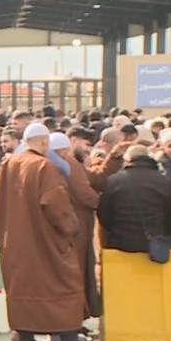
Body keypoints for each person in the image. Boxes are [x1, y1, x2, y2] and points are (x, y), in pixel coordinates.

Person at [0, 123, 101, 341]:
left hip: (15, 241)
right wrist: (71, 228)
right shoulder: (45, 166)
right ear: (44, 142)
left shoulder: (8, 164)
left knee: (22, 288)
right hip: (45, 241)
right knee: (62, 284)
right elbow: (56, 205)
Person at [49, 132, 102, 319]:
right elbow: (84, 193)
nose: (88, 149)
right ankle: (74, 317)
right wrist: (105, 204)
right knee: (75, 271)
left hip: (60, 226)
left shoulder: (42, 163)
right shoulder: (69, 163)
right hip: (74, 226)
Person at [99, 145, 171, 254]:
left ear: (127, 159)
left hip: (121, 243)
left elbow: (104, 214)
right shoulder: (165, 182)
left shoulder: (113, 181)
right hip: (154, 245)